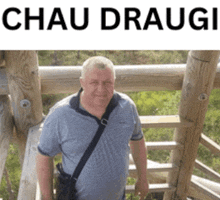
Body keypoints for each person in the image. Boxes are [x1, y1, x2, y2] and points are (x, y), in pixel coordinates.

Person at [36, 56, 149, 200]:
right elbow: (44, 156)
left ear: (114, 82)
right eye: (94, 82)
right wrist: (47, 197)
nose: (101, 89)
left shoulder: (126, 107)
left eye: (107, 82)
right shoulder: (61, 114)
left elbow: (137, 140)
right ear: (82, 83)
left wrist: (143, 178)